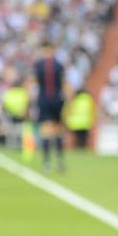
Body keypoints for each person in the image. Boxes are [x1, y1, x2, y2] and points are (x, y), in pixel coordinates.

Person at [28, 44, 69, 172]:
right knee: (58, 130)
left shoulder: (39, 65)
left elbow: (33, 82)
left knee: (46, 130)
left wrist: (29, 102)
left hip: (44, 100)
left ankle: (47, 163)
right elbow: (64, 83)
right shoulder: (58, 64)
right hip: (57, 99)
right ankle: (60, 161)